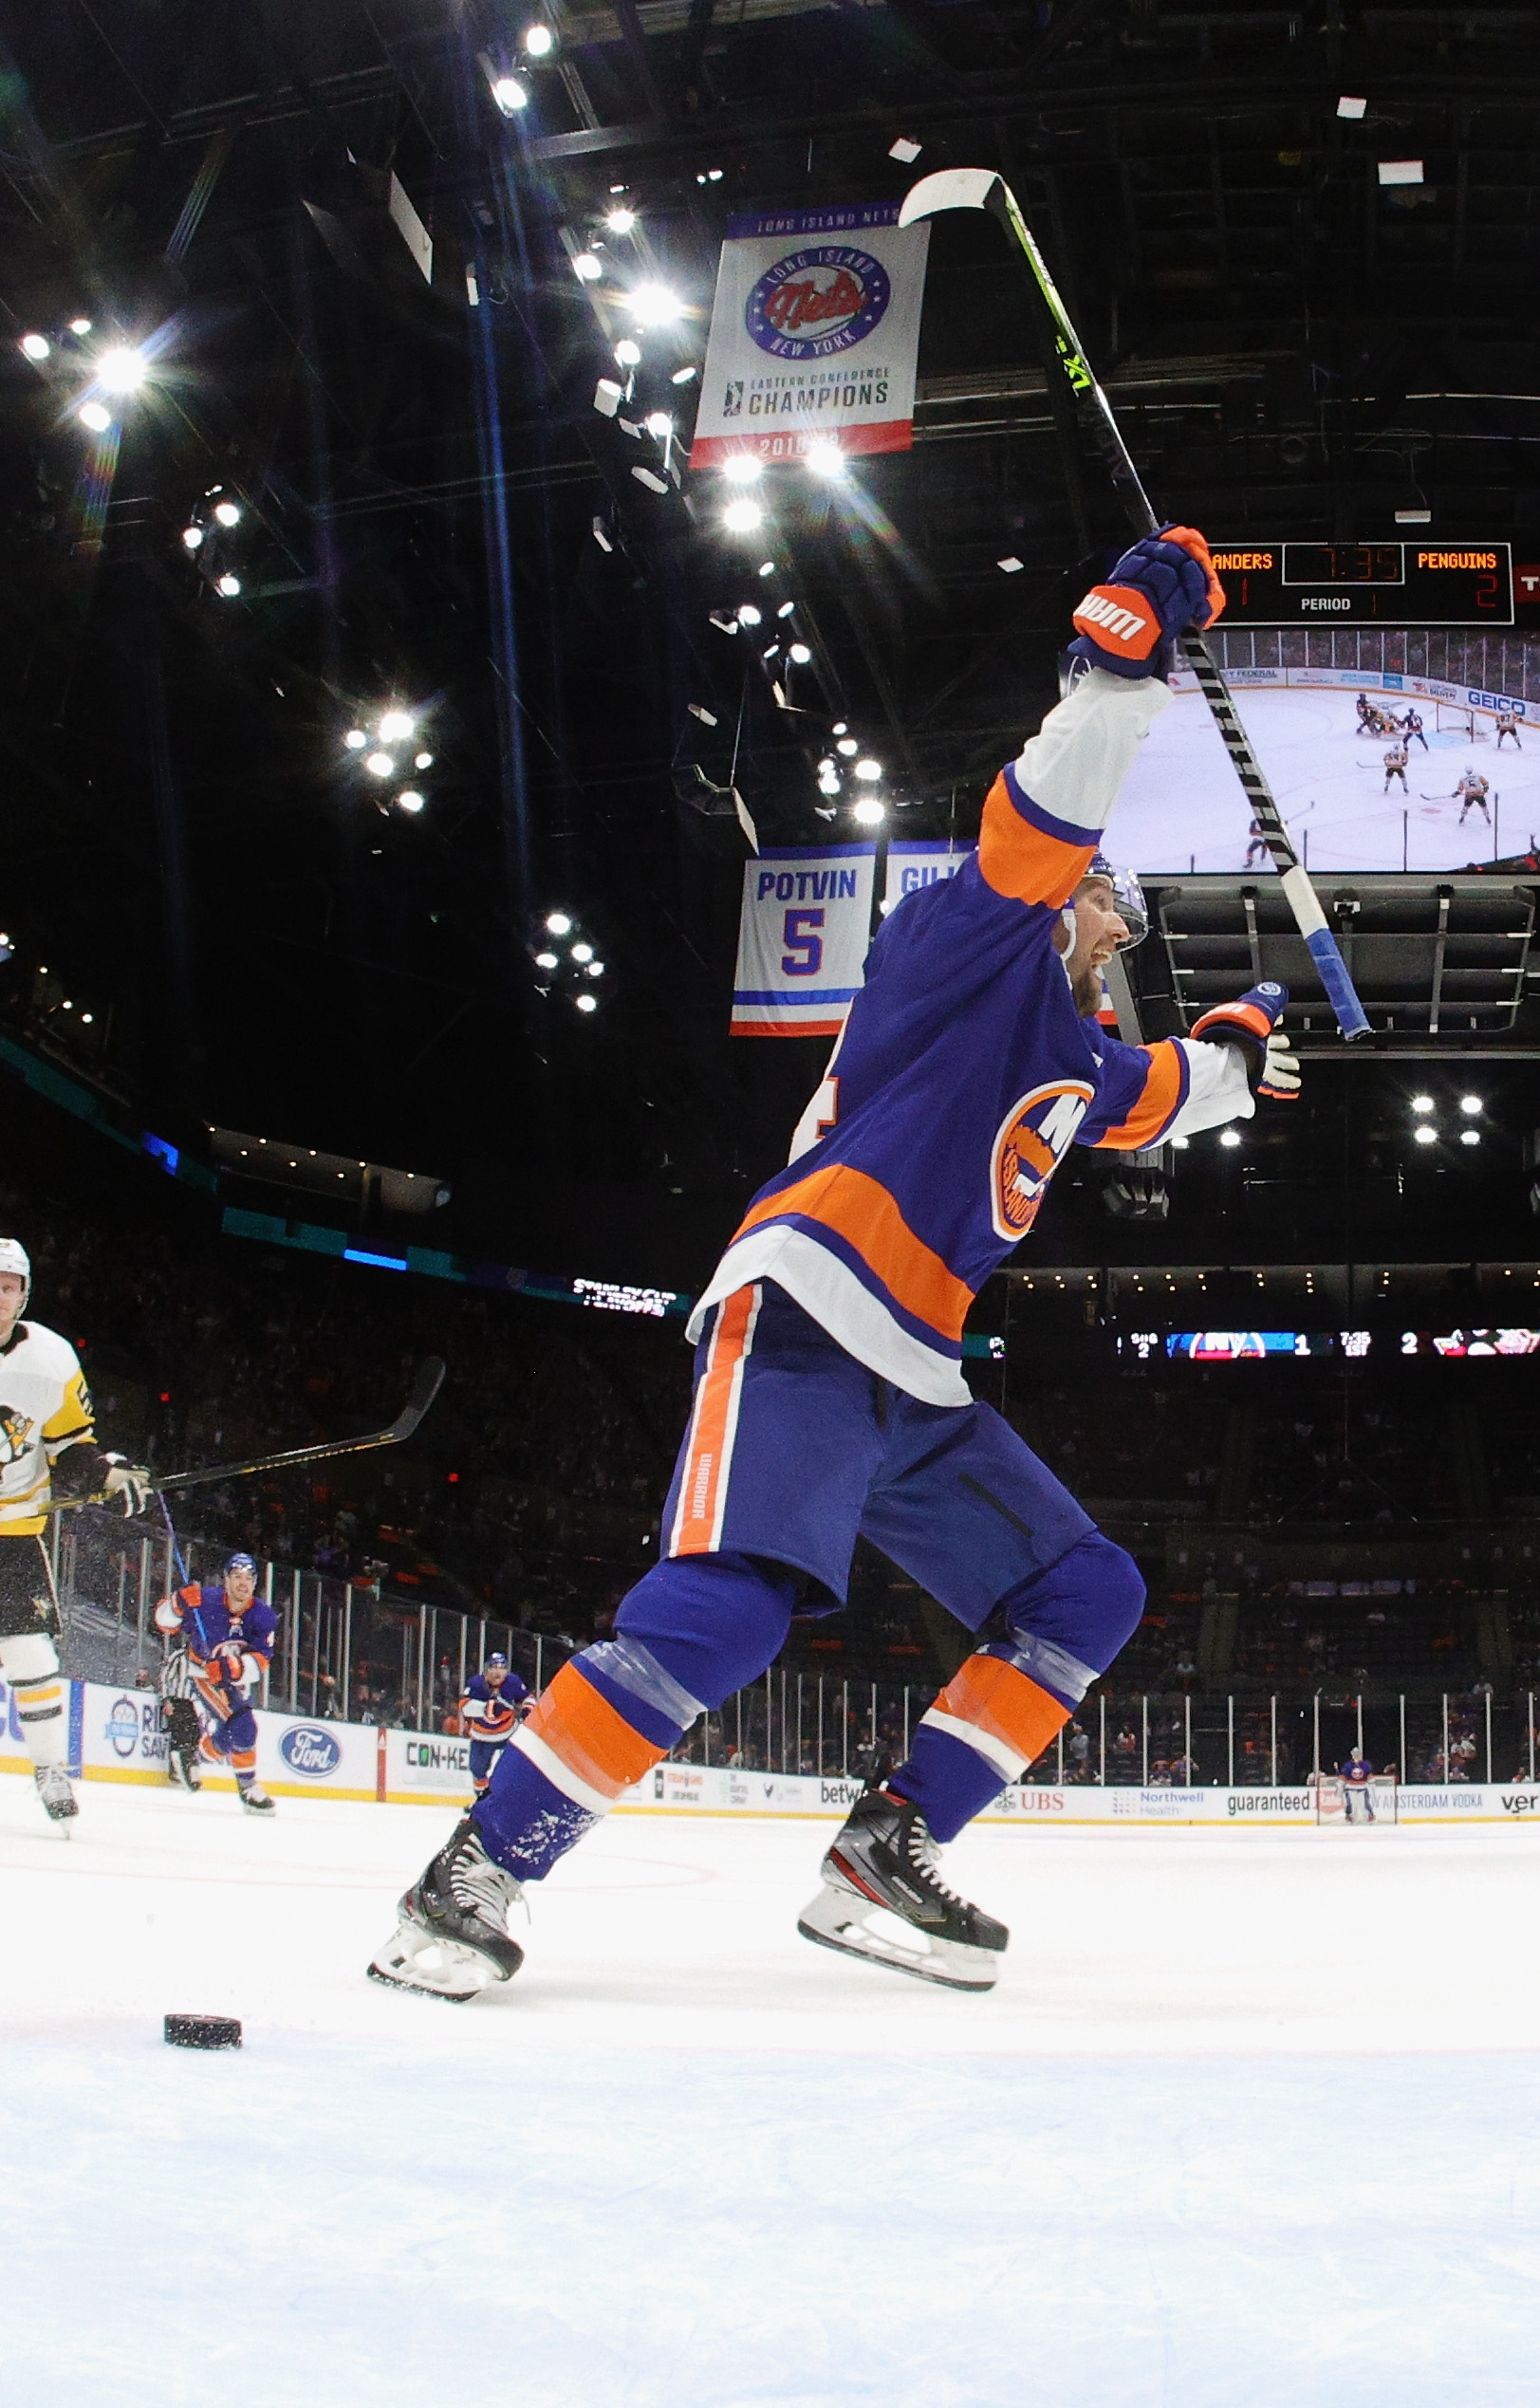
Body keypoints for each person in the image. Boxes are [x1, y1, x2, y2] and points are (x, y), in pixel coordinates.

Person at [368, 526, 1302, 2002]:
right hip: (806, 1309)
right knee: (729, 1608)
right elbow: (1044, 816)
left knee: (1086, 1593)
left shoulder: (1069, 1048)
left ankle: (890, 1842)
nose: (1122, 920)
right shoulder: (963, 937)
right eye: (1112, 897)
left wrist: (1242, 1051)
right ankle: (473, 1872)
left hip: (914, 1376)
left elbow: (1153, 1093)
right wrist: (1122, 667)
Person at [0, 1237, 156, 1833]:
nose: (0, 1296)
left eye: (9, 1285)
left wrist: (106, 1473)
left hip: (12, 1528)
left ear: (24, 1294)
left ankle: (48, 1768)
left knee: (30, 1653)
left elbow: (70, 1443)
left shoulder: (52, 1359)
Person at [157, 1551, 280, 1815]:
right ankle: (247, 1788)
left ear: (256, 1582)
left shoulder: (263, 1616)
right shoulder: (205, 1601)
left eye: (248, 1578)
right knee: (244, 1728)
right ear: (225, 1579)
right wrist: (178, 1603)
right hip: (202, 1675)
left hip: (234, 1679)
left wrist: (229, 1668)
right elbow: (163, 1623)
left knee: (240, 1732)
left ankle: (197, 1754)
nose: (242, 1583)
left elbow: (262, 1661)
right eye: (236, 1577)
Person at [457, 1651, 529, 1798]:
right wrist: (486, 1708)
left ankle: (513, 1798)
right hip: (481, 1736)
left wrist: (528, 1710)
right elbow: (464, 1706)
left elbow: (527, 1698)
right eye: (494, 1667)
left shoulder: (513, 1682)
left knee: (514, 1767)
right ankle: (482, 1799)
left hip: (508, 1734)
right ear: (487, 1669)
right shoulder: (476, 1684)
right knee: (477, 1770)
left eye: (502, 1668)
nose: (498, 1672)